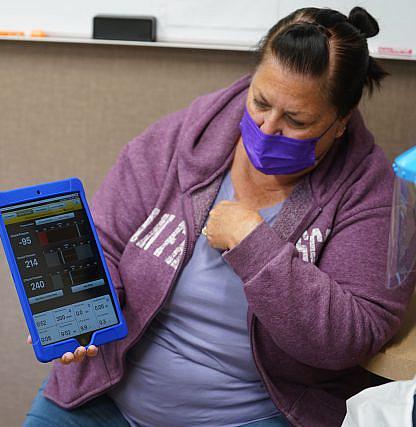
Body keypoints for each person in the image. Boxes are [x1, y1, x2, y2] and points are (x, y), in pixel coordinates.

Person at [23, 6, 415, 427]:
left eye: (296, 120)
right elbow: (104, 240)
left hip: (250, 415)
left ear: (340, 122)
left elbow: (350, 338)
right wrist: (85, 307)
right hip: (106, 398)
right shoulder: (181, 142)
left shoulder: (373, 194)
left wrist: (254, 245)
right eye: (260, 102)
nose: (266, 129)